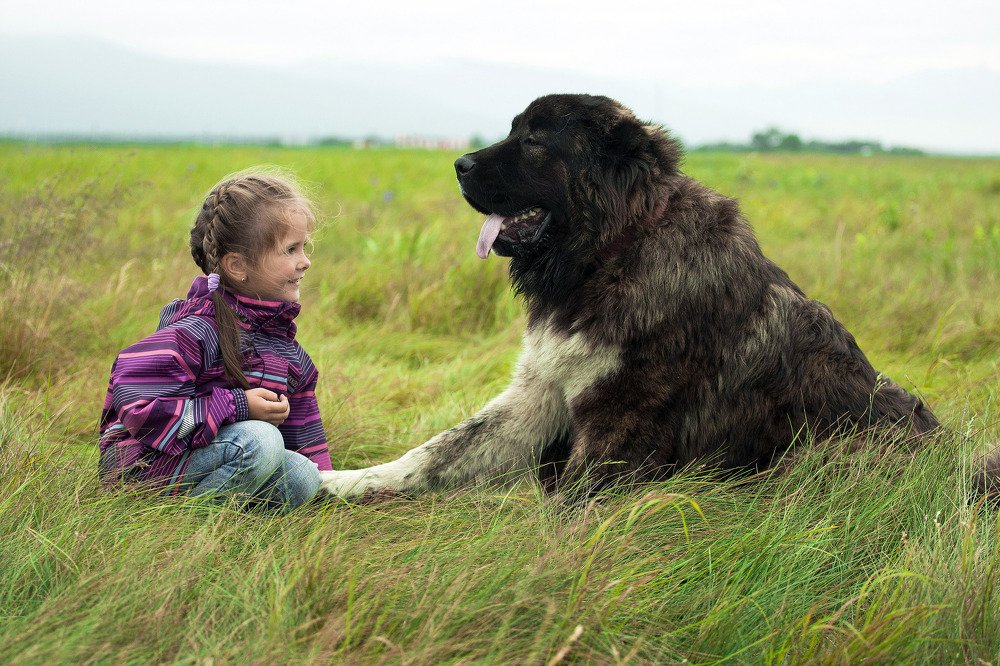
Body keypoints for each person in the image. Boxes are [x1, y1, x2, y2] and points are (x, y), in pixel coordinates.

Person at [97, 170, 331, 511]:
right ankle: (181, 522)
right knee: (261, 441)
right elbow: (139, 406)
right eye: (290, 250)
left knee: (303, 477)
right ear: (237, 266)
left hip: (209, 460)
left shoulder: (283, 348)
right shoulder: (195, 331)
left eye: (304, 247)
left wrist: (326, 486)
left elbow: (303, 433)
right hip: (142, 466)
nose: (305, 261)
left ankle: (226, 521)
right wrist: (238, 407)